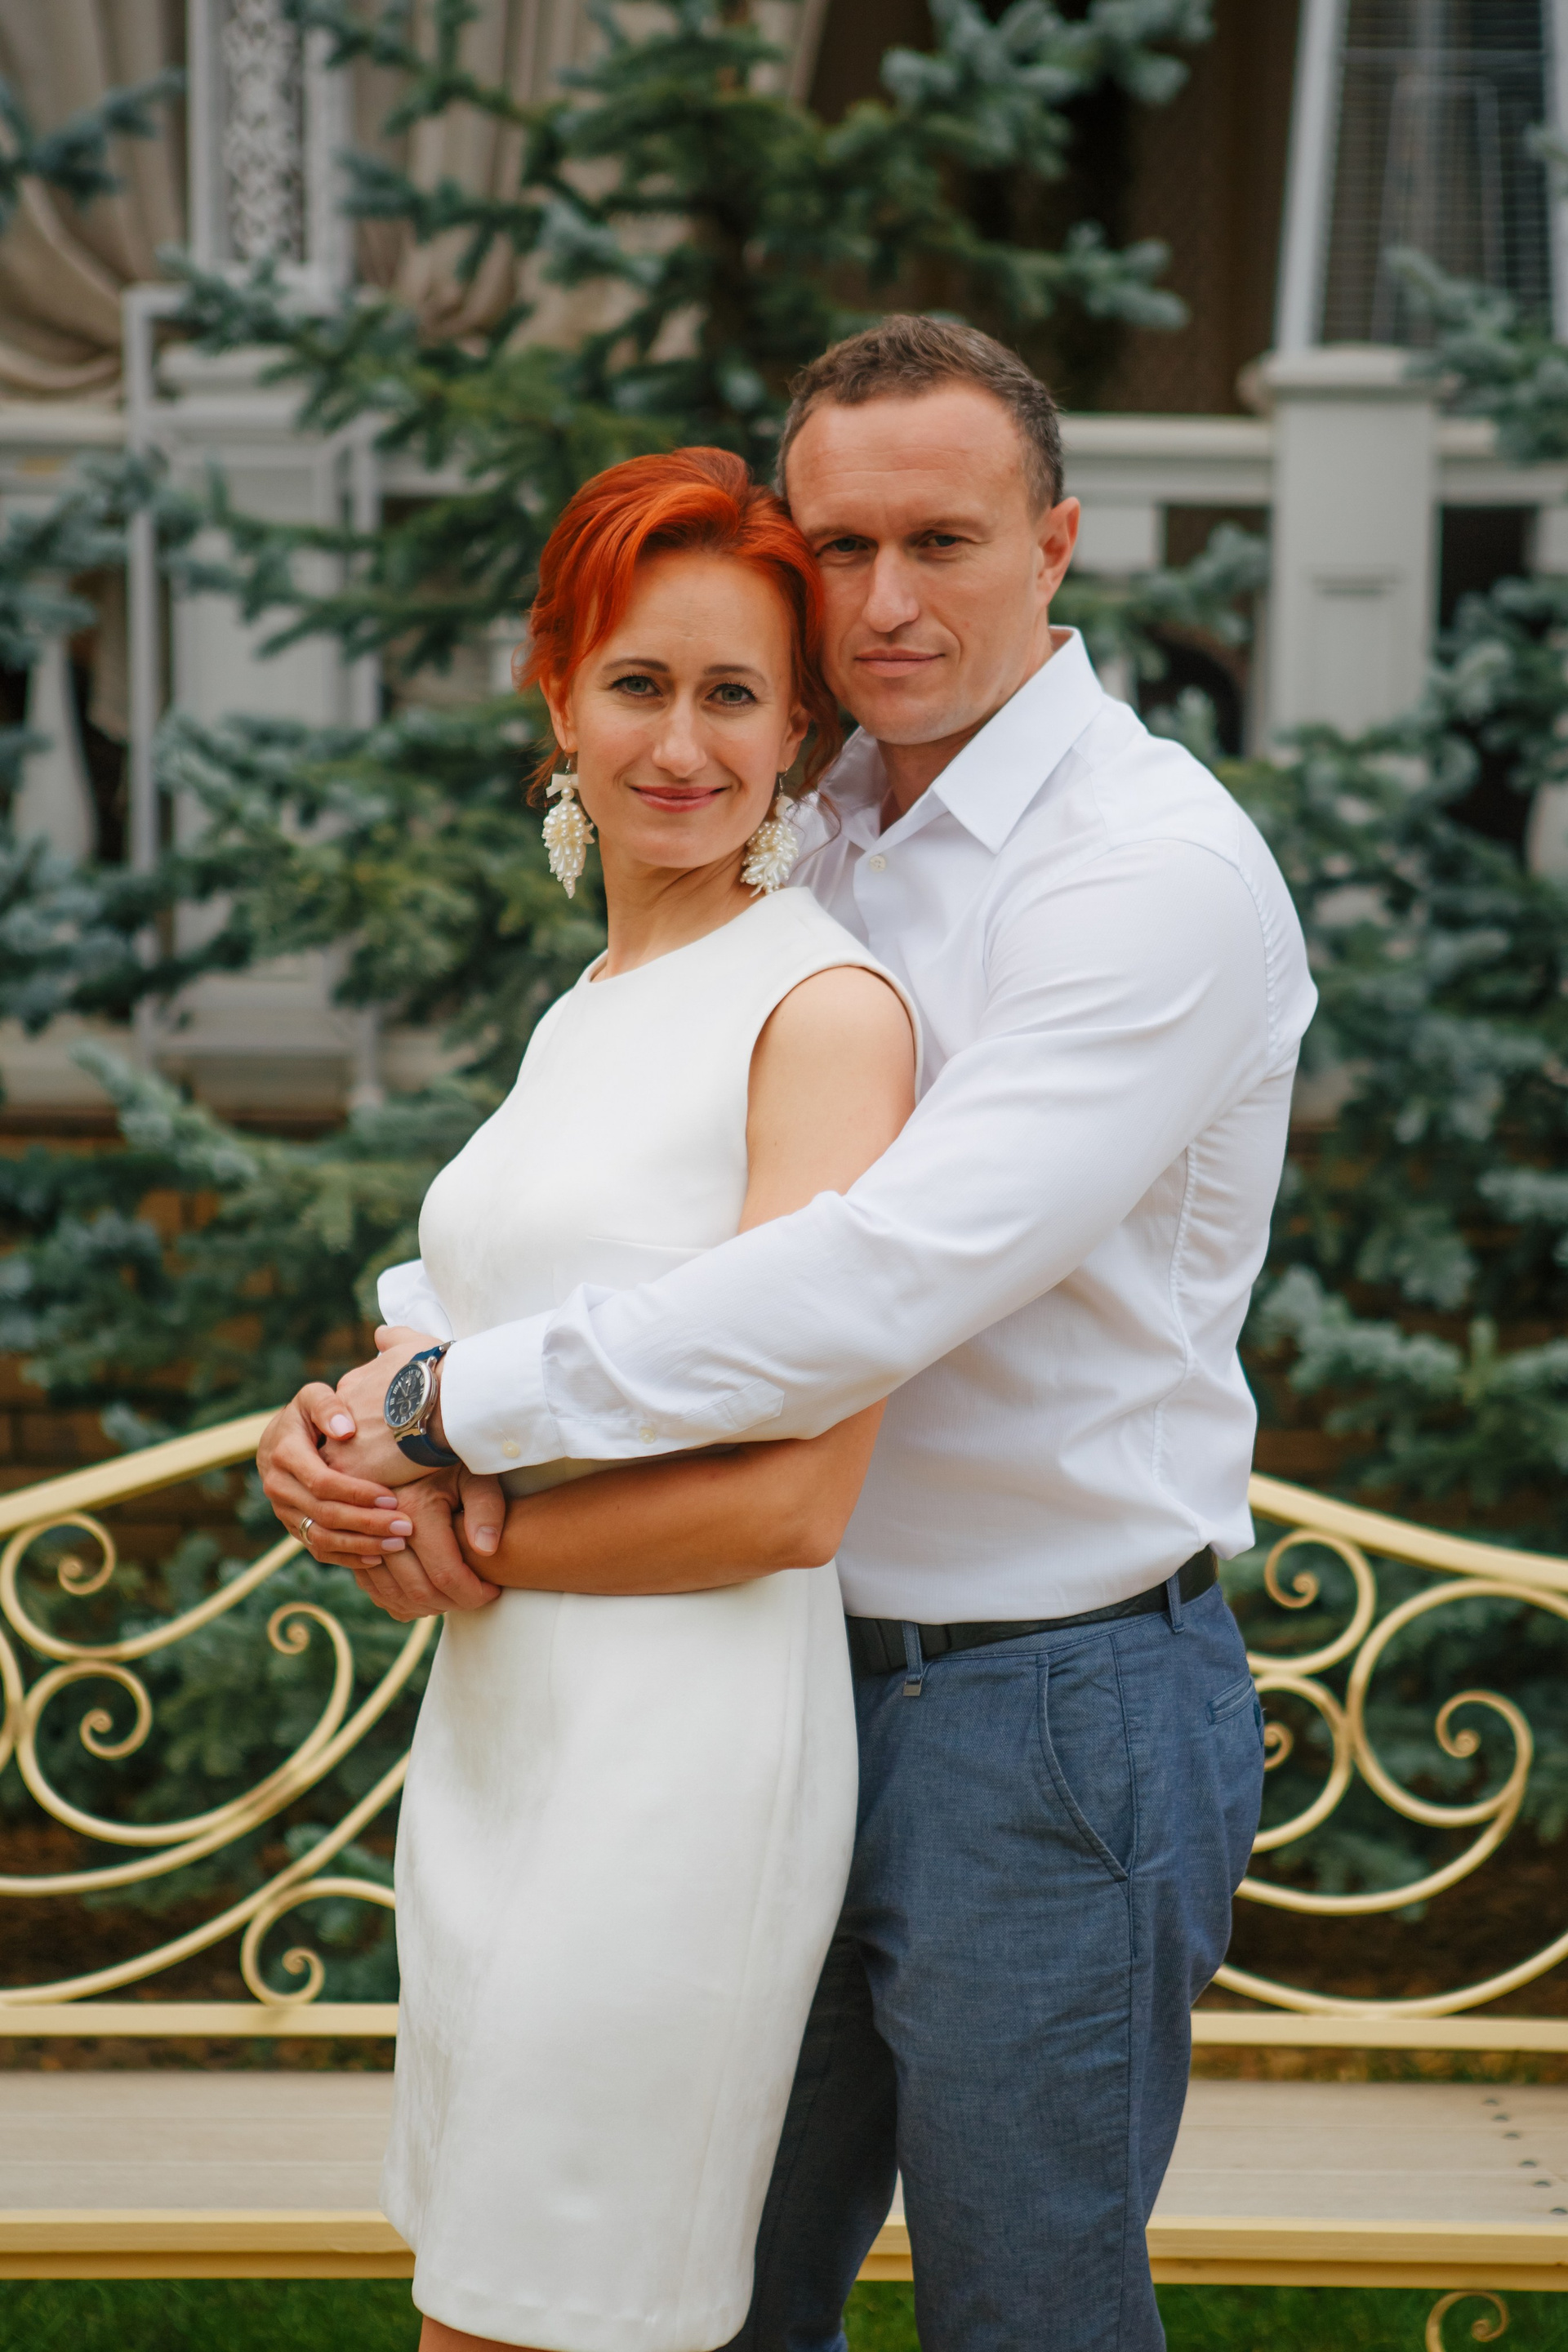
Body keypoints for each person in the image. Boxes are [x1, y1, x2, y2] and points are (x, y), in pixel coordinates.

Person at [262, 316, 1316, 2352]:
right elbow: (620, 1189)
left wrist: (450, 1418)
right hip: (754, 1684)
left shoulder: (1148, 875)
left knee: (1025, 2313)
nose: (886, 600)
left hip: (1046, 1699)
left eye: (945, 540)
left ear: (1058, 543)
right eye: (841, 548)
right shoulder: (797, 814)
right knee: (709, 2303)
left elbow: (871, 1282)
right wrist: (371, 1401)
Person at [263, 445, 919, 2352]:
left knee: (543, 2313)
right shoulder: (593, 1008)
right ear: (557, 692)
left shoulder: (824, 1013)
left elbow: (793, 1501)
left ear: (799, 732)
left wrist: (467, 1539)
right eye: (639, 682)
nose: (682, 744)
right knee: (480, 2297)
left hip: (674, 1757)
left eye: (734, 694)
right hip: (505, 1734)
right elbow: (484, 1336)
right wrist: (332, 1448)